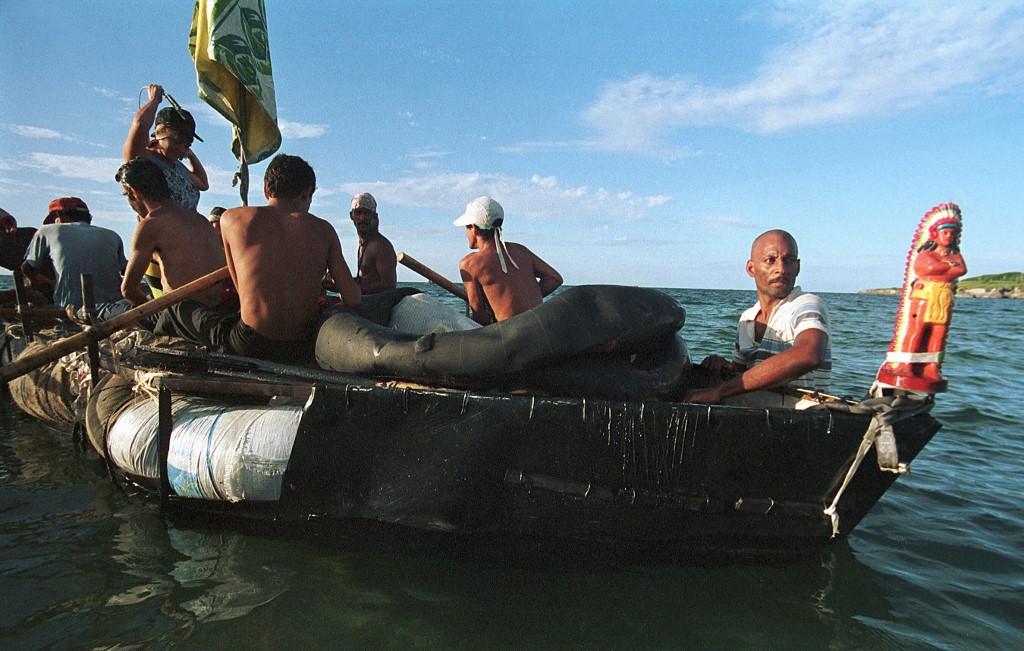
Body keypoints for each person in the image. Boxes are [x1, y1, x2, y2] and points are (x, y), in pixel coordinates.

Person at [155, 154, 360, 364]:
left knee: (177, 308)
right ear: (308, 193)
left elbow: (240, 288)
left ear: (265, 190)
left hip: (250, 344)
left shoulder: (231, 219)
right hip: (300, 346)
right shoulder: (324, 230)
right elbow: (353, 298)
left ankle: (153, 357)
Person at [683, 229, 831, 404]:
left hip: (804, 422)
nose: (781, 269)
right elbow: (743, 375)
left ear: (797, 267)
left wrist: (718, 391)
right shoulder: (747, 319)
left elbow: (808, 354)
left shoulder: (806, 304)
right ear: (751, 268)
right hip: (757, 417)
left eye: (789, 260)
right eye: (770, 260)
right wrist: (723, 366)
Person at [108, 158, 227, 318]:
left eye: (126, 194)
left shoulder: (151, 225)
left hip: (183, 315)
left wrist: (151, 314)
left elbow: (128, 290)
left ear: (134, 192)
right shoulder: (201, 220)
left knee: (106, 311)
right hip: (215, 308)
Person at [454, 196, 562, 325]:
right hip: (540, 326)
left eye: (467, 227)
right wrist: (523, 303)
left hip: (512, 336)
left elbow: (480, 318)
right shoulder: (521, 251)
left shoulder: (470, 264)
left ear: (474, 228)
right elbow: (555, 278)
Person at [20, 197, 127, 310]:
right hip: (115, 308)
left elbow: (27, 268)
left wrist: (35, 284)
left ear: (58, 216)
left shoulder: (47, 230)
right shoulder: (112, 235)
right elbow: (124, 270)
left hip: (72, 310)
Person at [123, 84, 208, 211]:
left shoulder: (177, 166)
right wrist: (154, 100)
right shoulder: (142, 160)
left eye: (188, 143)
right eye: (178, 140)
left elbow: (203, 184)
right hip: (164, 229)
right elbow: (140, 126)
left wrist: (190, 154)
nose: (181, 149)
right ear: (160, 133)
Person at [904, 218, 967, 381]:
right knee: (917, 330)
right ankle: (907, 364)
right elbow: (927, 268)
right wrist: (948, 265)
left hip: (944, 296)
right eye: (945, 232)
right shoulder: (926, 253)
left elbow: (961, 270)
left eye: (952, 234)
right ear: (936, 234)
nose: (948, 236)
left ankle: (931, 367)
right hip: (925, 295)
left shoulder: (955, 255)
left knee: (939, 333)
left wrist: (942, 266)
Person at [348, 193, 397, 294]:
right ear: (351, 216)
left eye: (367, 213)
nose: (362, 218)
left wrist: (353, 288)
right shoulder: (364, 244)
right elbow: (365, 280)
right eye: (358, 213)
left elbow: (389, 285)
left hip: (377, 305)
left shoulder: (380, 246)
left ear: (374, 216)